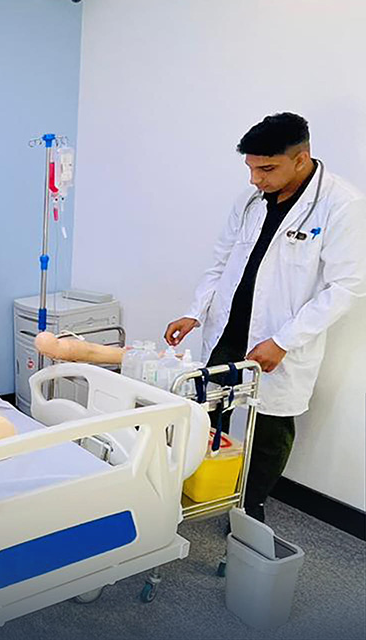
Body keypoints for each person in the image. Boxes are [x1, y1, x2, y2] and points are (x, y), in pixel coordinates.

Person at [164, 113, 366, 522]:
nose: (256, 179)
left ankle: (250, 506)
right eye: (251, 168)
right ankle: (197, 487)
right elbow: (221, 261)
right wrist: (194, 312)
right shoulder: (251, 200)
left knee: (271, 426)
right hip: (228, 327)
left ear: (301, 158)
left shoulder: (341, 204)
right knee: (207, 408)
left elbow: (347, 287)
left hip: (280, 336)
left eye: (267, 169)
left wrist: (284, 341)